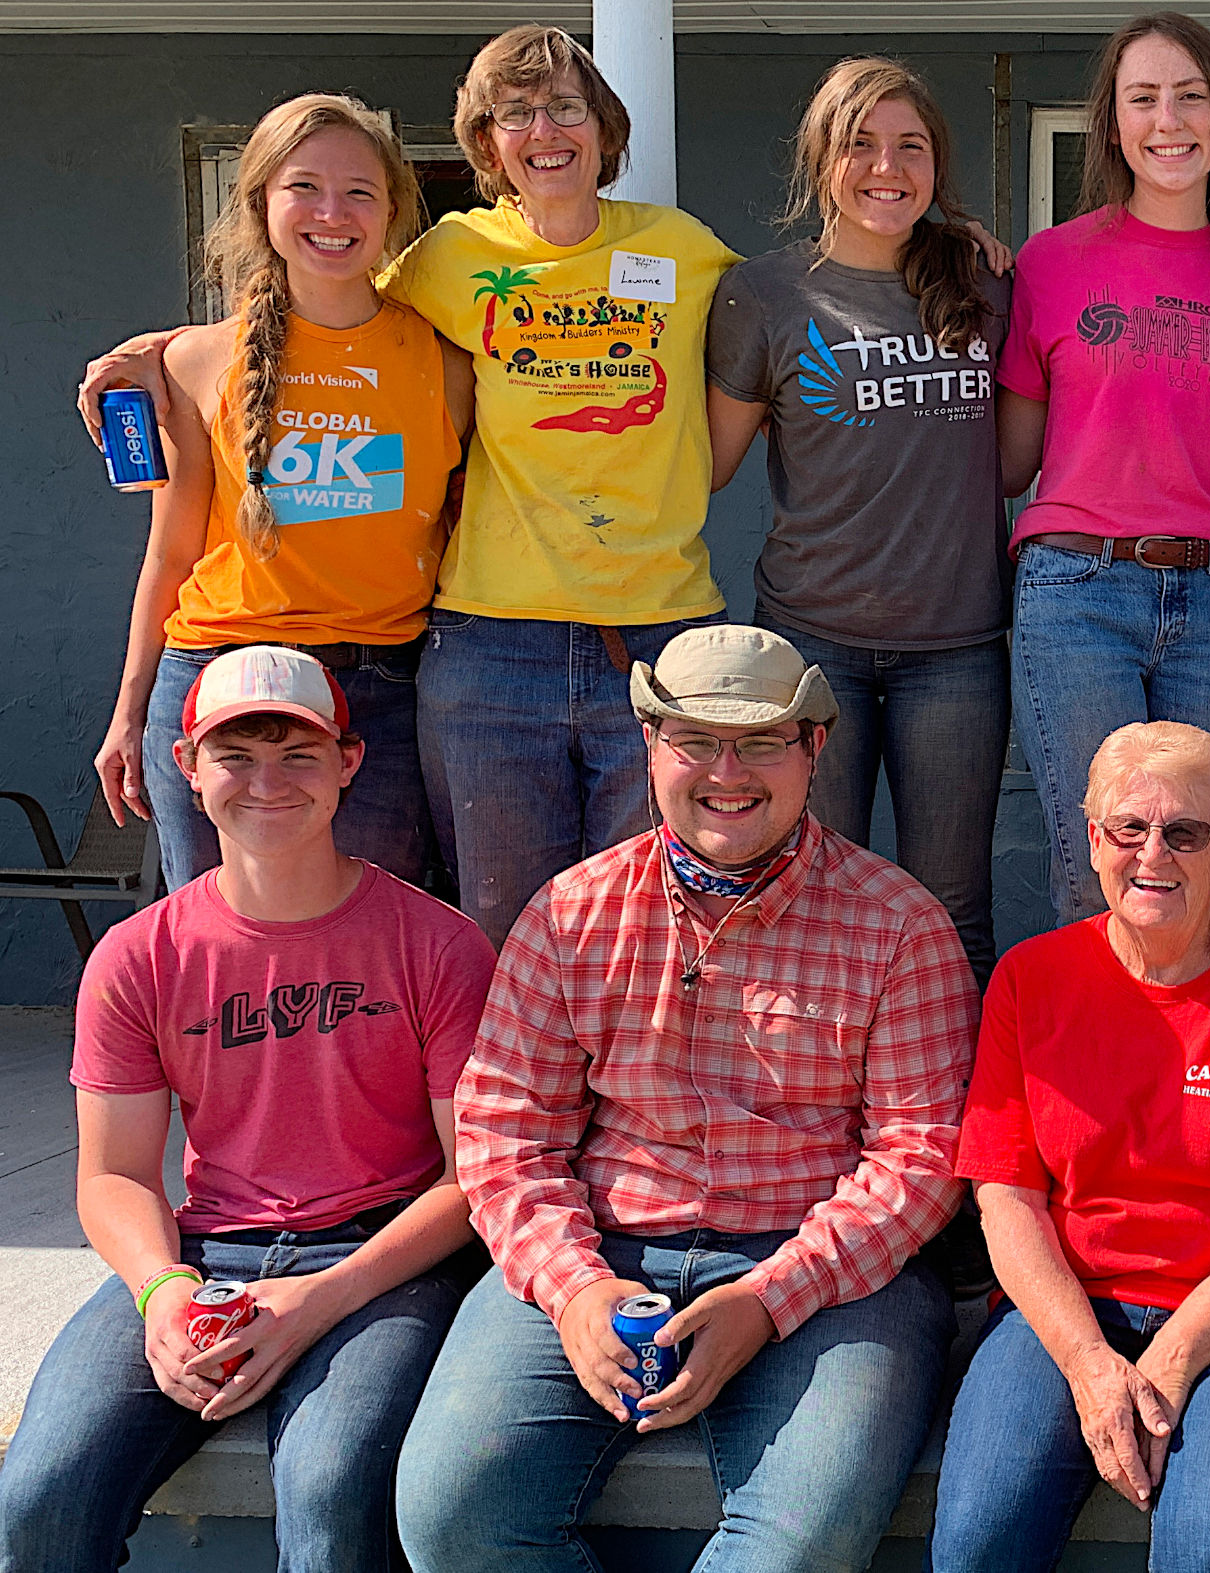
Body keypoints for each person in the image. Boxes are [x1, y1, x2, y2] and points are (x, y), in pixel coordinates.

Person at [393, 626, 978, 1572]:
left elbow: (920, 1158)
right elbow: (505, 1134)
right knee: (450, 1513)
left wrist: (770, 1298)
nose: (726, 772)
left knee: (797, 1545)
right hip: (604, 1246)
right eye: (695, 740)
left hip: (825, 1272)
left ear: (814, 747)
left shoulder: (900, 924)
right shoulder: (570, 911)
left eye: (760, 741)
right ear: (650, 743)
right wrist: (575, 1289)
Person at [0, 645, 493, 1573]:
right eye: (236, 755)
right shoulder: (138, 955)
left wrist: (322, 1298)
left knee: (330, 1495)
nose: (268, 782)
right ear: (187, 766)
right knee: (37, 1500)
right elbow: (113, 1174)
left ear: (349, 762)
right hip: (206, 1253)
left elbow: (473, 1180)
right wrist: (161, 1289)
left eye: (298, 754)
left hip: (381, 1256)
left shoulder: (438, 943)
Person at [934, 721, 1210, 1572]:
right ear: (1094, 841)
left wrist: (1176, 1350)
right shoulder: (1029, 979)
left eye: (1185, 833)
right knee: (979, 1534)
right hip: (1066, 1304)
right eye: (1129, 827)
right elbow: (1005, 1198)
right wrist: (1089, 1361)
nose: (1152, 853)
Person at [91, 92, 472, 893]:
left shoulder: (450, 363)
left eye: (359, 191)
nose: (332, 213)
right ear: (260, 200)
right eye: (304, 187)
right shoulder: (196, 361)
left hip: (378, 693)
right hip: (214, 679)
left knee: (366, 941)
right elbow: (169, 554)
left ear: (393, 212)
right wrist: (128, 713)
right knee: (218, 939)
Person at [705, 55, 1012, 988]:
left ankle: (950, 1087)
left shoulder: (986, 281)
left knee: (951, 908)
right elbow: (707, 466)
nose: (887, 166)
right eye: (861, 144)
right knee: (810, 902)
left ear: (937, 164)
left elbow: (1018, 450)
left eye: (910, 146)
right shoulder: (763, 294)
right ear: (820, 161)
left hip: (957, 648)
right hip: (814, 645)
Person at [997, 11, 1210, 925]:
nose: (1169, 120)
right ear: (1114, 124)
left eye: (1191, 96)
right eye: (1144, 98)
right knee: (1097, 871)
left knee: (1193, 872)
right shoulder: (1051, 262)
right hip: (1078, 595)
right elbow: (1009, 458)